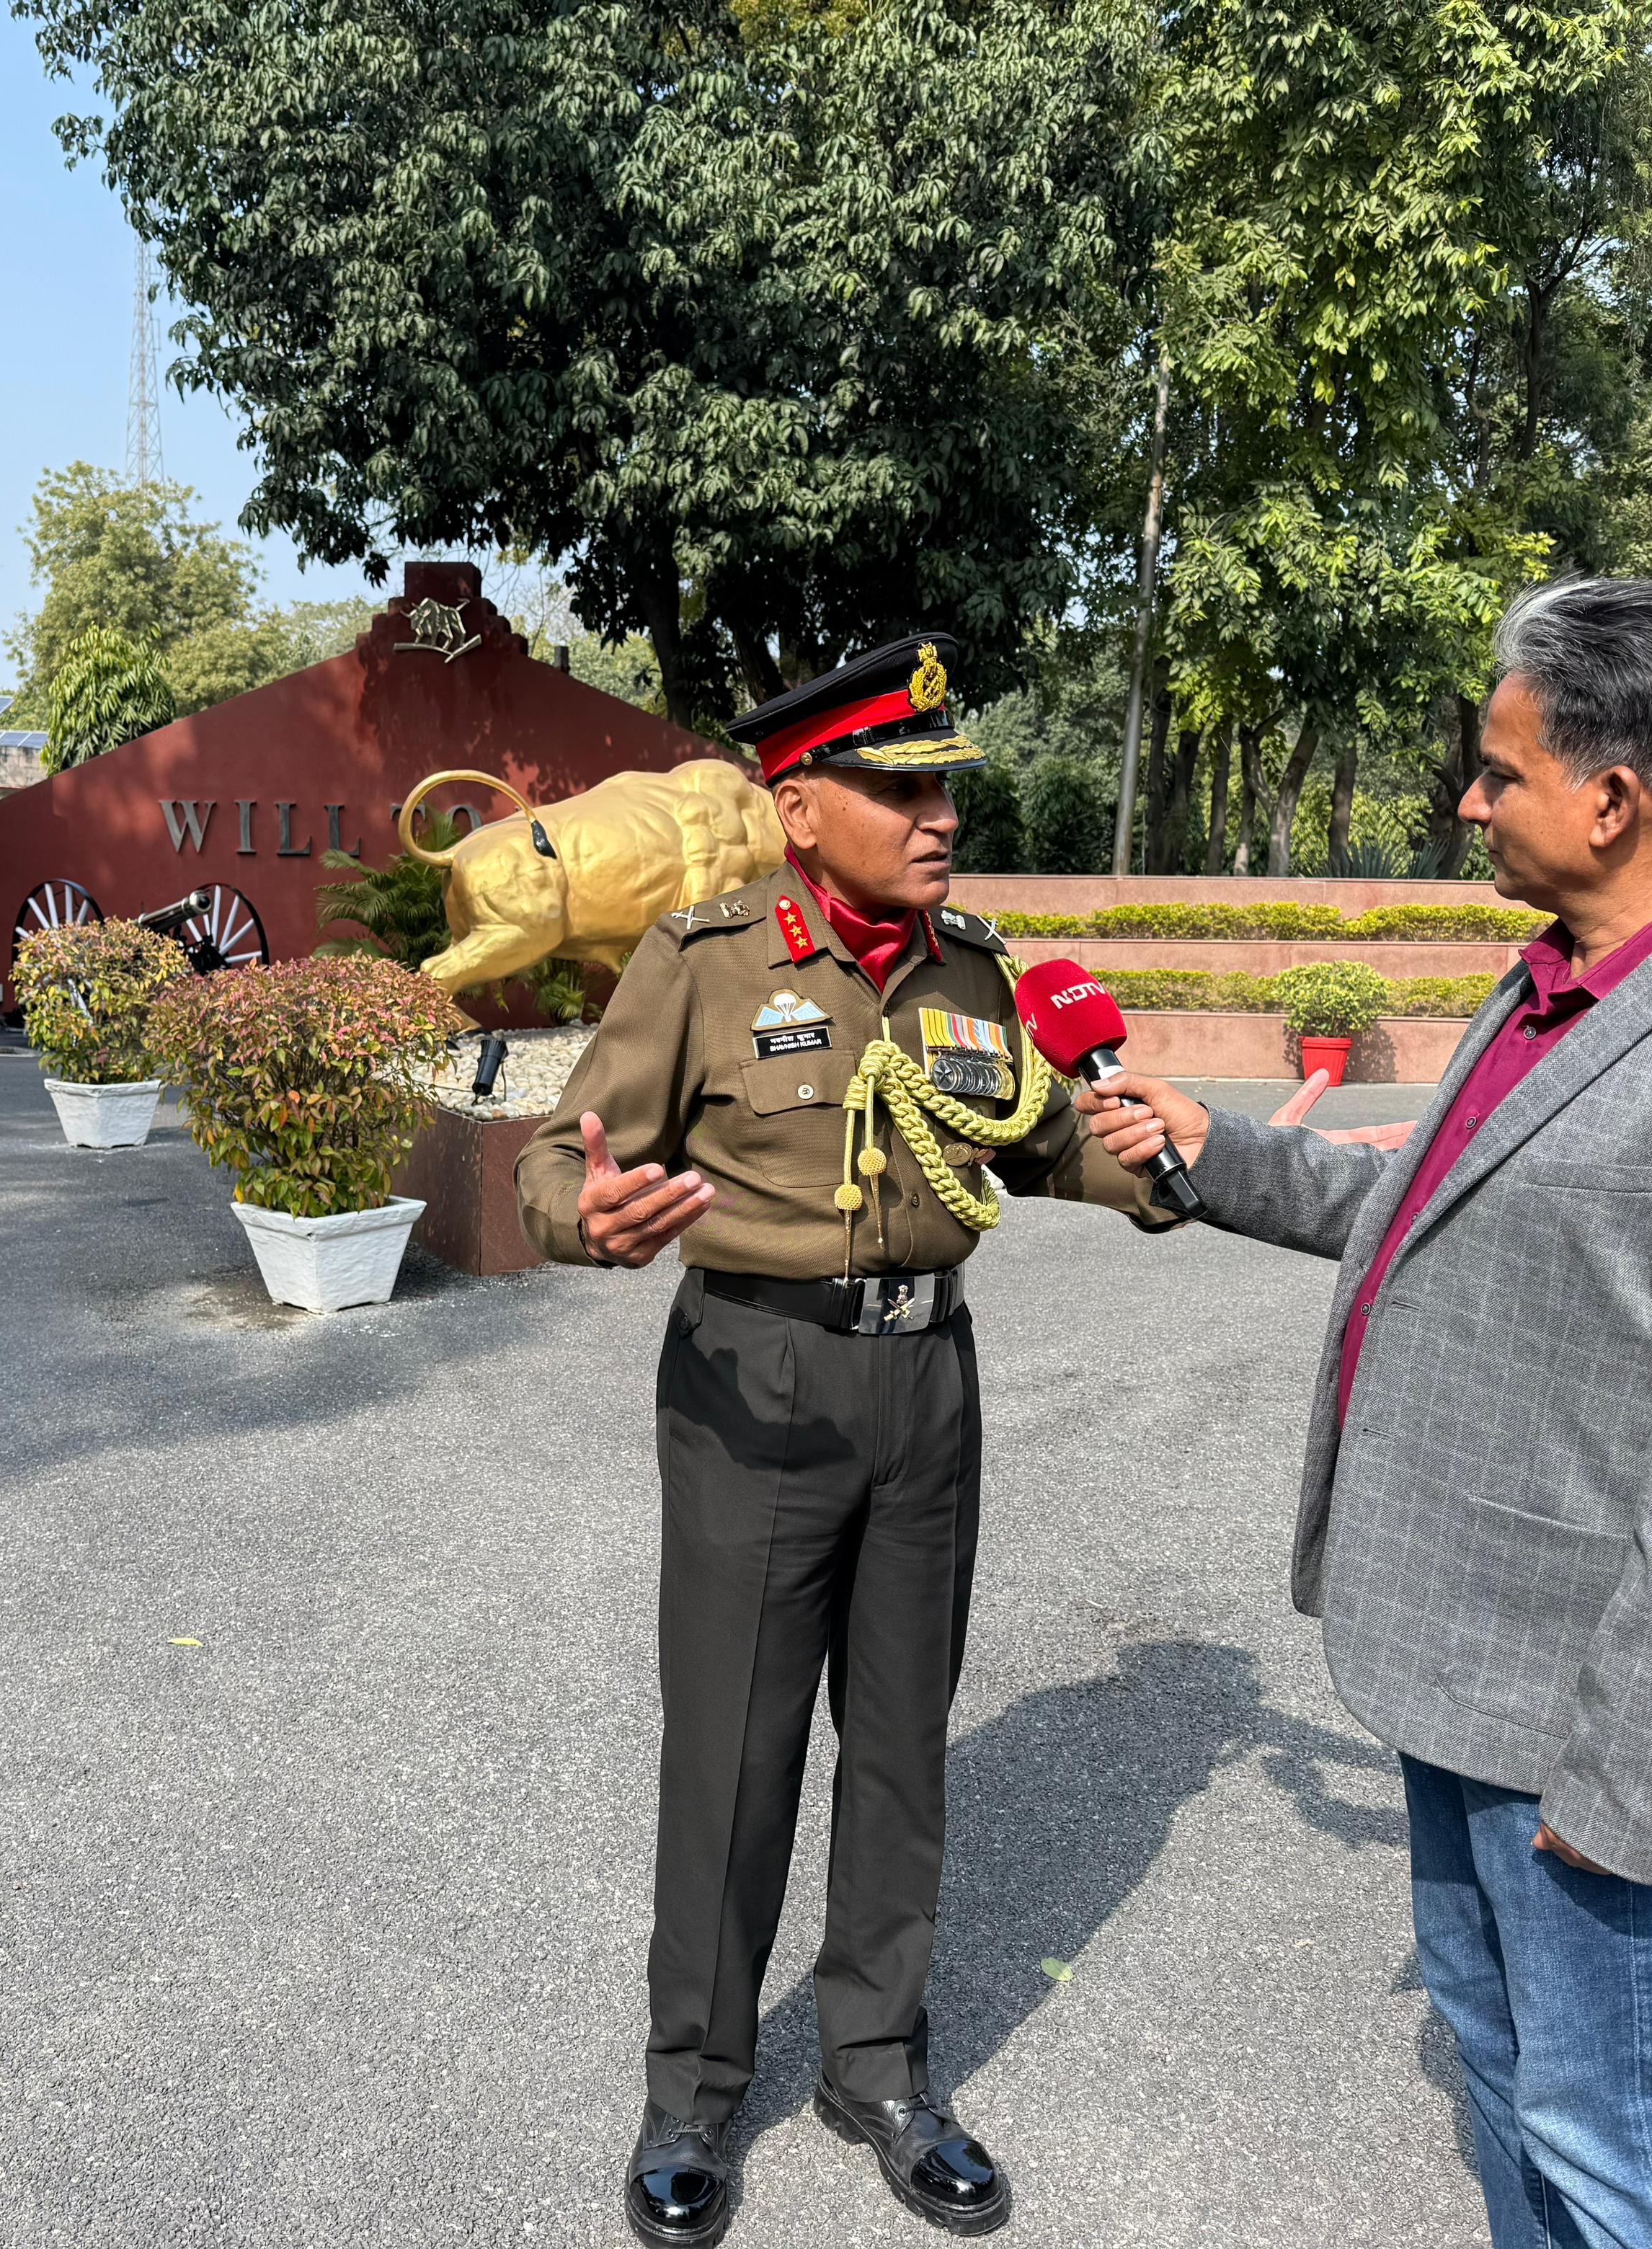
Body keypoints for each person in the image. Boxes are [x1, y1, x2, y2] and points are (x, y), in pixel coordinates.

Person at [1085, 578, 1652, 2249]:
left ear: (1613, 800)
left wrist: (1623, 1791)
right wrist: (1215, 1151)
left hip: (1581, 1721)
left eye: (1497, 769)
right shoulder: (1564, 975)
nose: (1468, 800)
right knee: (1497, 2062)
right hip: (1453, 1665)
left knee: (1609, 2138)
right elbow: (1433, 1210)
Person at [516, 634, 1181, 2245]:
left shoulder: (972, 969)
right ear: (799, 807)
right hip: (760, 1384)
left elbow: (1026, 1150)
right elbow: (565, 1149)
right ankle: (692, 2089)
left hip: (923, 1389)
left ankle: (875, 2065)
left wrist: (1162, 1166)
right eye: (897, 787)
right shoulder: (705, 957)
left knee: (900, 1745)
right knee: (735, 1754)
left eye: (943, 784)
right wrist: (580, 1216)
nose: (935, 812)